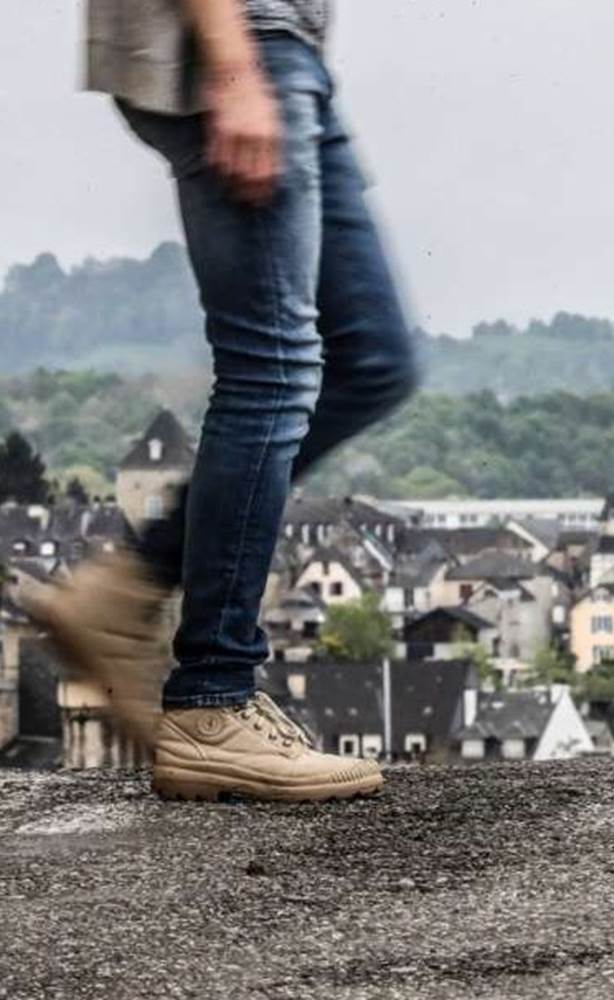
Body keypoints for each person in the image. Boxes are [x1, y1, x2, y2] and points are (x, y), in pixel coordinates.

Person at [27, 0, 418, 801]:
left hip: (288, 47)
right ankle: (213, 700)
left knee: (375, 359)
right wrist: (234, 64)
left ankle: (124, 591)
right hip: (244, 38)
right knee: (271, 368)